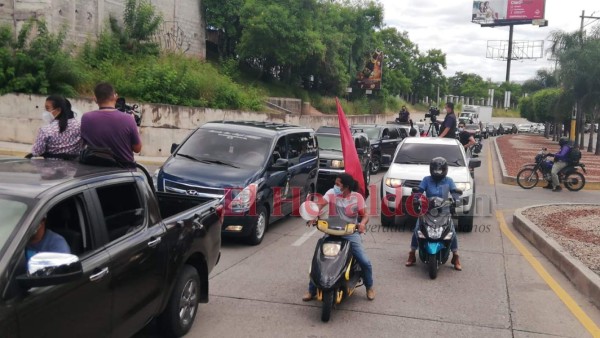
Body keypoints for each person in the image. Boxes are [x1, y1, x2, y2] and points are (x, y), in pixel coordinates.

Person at [302, 173, 374, 301]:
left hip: (350, 233)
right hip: (332, 231)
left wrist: (362, 224)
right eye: (335, 183)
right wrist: (312, 217)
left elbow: (365, 215)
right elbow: (318, 206)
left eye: (337, 184)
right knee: (318, 259)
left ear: (346, 187)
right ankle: (311, 290)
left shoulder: (357, 197)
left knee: (364, 262)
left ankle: (369, 287)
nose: (334, 186)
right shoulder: (331, 193)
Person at [405, 157, 462, 270]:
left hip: (444, 211)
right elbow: (419, 191)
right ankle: (412, 254)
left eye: (440, 169)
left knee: (452, 232)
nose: (437, 172)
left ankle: (455, 256)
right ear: (431, 169)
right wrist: (416, 198)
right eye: (435, 169)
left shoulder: (449, 181)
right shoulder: (426, 180)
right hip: (428, 210)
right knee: (418, 229)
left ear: (445, 169)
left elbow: (455, 193)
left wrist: (456, 200)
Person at [81, 83, 142, 167]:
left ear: (95, 99)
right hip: (123, 173)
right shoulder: (129, 119)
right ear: (115, 97)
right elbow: (137, 149)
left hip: (94, 172)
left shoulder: (86, 118)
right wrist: (134, 124)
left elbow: (82, 144)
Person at [31, 95, 82, 159]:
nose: (45, 112)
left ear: (58, 110)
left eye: (47, 108)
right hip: (76, 167)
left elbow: (37, 152)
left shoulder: (46, 130)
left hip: (50, 167)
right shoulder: (81, 125)